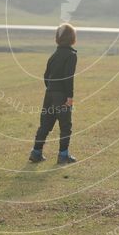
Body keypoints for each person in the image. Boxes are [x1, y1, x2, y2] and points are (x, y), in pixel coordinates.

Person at [29, 23, 78, 164]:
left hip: (49, 94)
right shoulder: (71, 55)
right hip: (61, 95)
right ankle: (63, 155)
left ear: (57, 38)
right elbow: (68, 77)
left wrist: (51, 89)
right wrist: (69, 96)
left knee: (45, 124)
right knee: (65, 126)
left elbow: (46, 76)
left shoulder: (53, 56)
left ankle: (36, 152)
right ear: (72, 38)